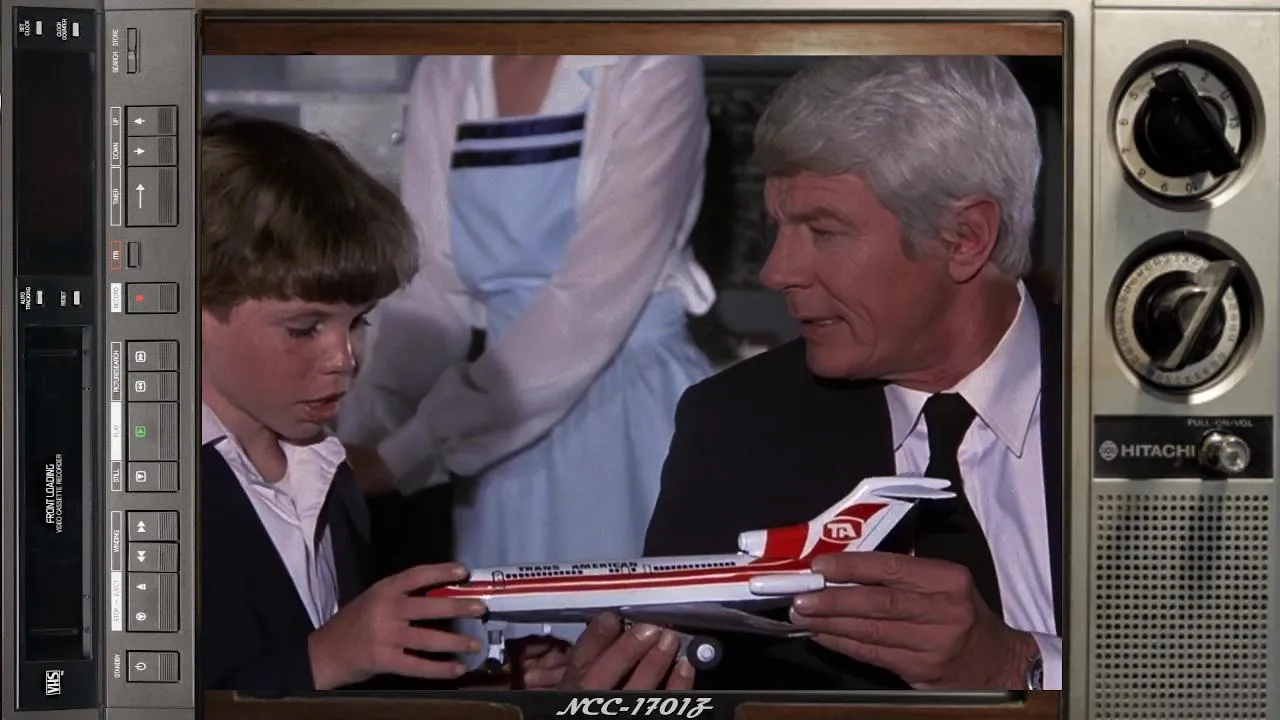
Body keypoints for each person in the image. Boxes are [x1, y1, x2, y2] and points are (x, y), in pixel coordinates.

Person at [547, 55, 1063, 691]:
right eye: (779, 228)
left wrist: (1017, 667)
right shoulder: (733, 427)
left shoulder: (1145, 410)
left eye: (823, 231)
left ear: (965, 237)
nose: (777, 271)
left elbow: (1186, 668)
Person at [336, 54, 717, 664]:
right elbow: (430, 293)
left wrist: (402, 456)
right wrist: (354, 442)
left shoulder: (652, 60)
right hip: (495, 426)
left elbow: (589, 301)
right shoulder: (450, 68)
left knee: (628, 657)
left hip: (625, 419)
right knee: (514, 659)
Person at [198, 113, 488, 692]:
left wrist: (485, 691)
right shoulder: (129, 489)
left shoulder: (330, 472)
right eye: (305, 328)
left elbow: (354, 690)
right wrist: (322, 659)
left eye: (358, 322)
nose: (345, 358)